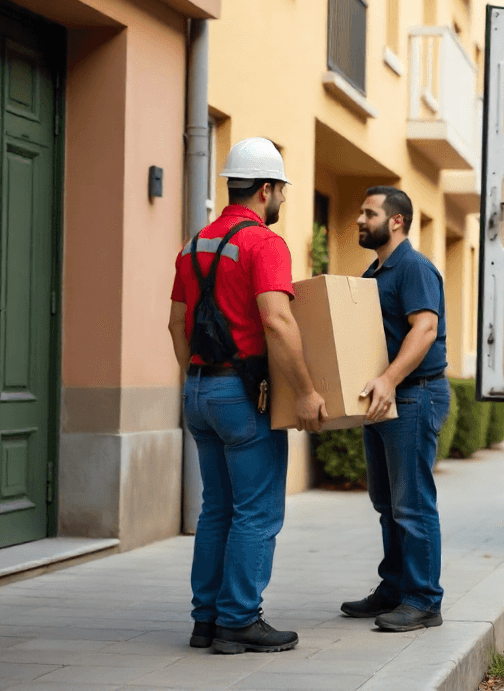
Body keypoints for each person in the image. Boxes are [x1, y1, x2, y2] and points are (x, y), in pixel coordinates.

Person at [168, 137, 327, 654]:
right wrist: (305, 393)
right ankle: (238, 619)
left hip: (198, 389)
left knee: (217, 508)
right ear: (266, 189)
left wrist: (198, 383)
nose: (281, 199)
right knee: (257, 512)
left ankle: (206, 620)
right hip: (241, 394)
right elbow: (277, 321)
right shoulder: (264, 244)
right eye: (280, 190)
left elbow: (175, 324)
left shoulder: (193, 245)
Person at [341, 186, 451, 632]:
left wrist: (388, 380)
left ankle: (424, 600)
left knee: (412, 505)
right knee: (386, 503)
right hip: (385, 398)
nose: (360, 220)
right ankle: (394, 588)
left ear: (397, 221)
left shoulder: (414, 267)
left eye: (369, 213)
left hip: (413, 395)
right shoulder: (375, 271)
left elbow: (425, 328)